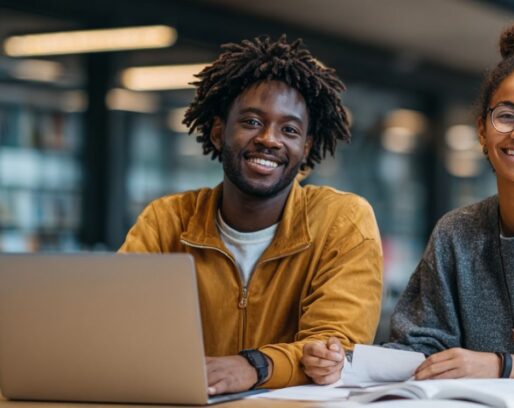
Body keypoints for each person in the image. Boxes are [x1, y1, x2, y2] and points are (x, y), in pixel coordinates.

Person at [301, 12, 514, 388]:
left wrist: (498, 365)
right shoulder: (456, 232)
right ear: (482, 129)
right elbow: (420, 345)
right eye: (507, 115)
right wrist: (343, 360)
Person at [120, 36, 383, 394]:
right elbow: (120, 327)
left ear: (304, 148)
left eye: (289, 130)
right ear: (218, 133)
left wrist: (254, 366)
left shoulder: (343, 220)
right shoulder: (166, 220)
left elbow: (335, 347)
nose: (270, 140)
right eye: (252, 121)